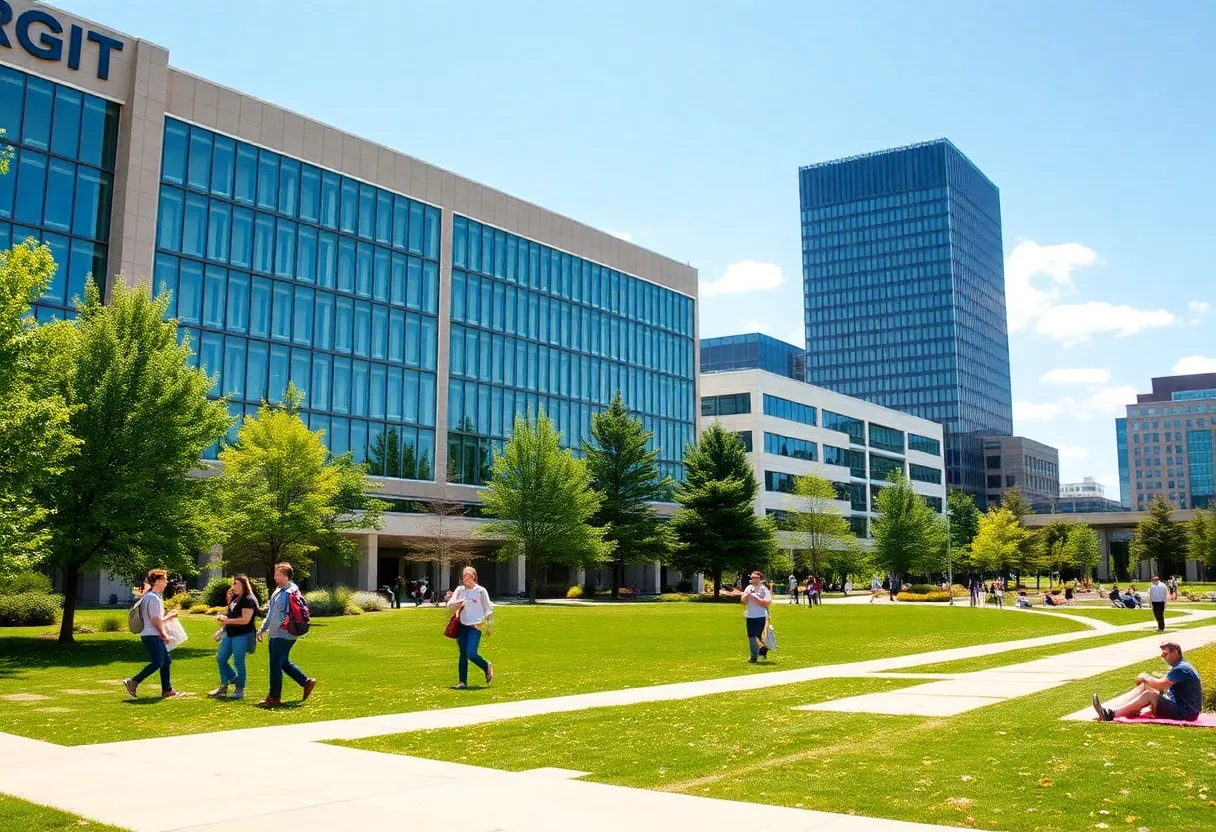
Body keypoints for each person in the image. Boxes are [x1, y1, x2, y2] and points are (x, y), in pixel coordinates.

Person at [1093, 642, 1203, 722]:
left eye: (1165, 653)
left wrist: (1144, 677)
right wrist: (1146, 680)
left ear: (1175, 653)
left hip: (1186, 712)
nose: (1162, 656)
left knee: (1149, 695)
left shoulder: (1182, 669)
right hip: (1184, 709)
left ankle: (1110, 714)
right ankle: (1113, 708)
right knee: (1145, 686)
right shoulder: (1180, 666)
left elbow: (1159, 685)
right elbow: (1161, 687)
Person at [257, 562, 316, 707]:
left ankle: (274, 697)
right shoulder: (284, 590)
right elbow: (272, 613)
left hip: (281, 633)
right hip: (289, 633)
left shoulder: (286, 593)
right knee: (283, 662)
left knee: (275, 665)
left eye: (278, 574)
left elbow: (277, 616)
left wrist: (269, 630)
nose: (275, 577)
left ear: (286, 576)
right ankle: (306, 682)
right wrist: (263, 628)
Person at [123, 569, 180, 699]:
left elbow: (154, 619)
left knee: (166, 661)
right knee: (157, 662)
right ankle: (133, 681)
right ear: (158, 581)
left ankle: (167, 690)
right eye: (165, 579)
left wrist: (168, 617)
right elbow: (155, 620)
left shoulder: (149, 597)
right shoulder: (153, 598)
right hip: (152, 635)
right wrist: (163, 634)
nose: (166, 582)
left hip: (149, 634)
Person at [209, 574, 259, 700]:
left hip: (242, 634)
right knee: (221, 658)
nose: (233, 586)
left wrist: (227, 621)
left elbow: (245, 620)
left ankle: (239, 689)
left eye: (236, 583)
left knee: (238, 661)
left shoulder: (248, 599)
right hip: (230, 633)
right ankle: (227, 683)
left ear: (243, 585)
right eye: (233, 583)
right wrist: (222, 629)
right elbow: (230, 616)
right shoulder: (234, 598)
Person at [448, 566, 494, 689]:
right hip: (462, 625)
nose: (463, 577)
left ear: (472, 576)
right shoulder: (460, 590)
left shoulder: (480, 591)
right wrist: (454, 602)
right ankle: (462, 682)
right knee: (463, 654)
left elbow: (488, 608)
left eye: (466, 575)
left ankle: (486, 666)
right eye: (463, 575)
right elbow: (450, 604)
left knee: (471, 653)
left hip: (475, 626)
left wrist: (489, 625)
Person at [740, 570, 772, 663]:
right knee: (751, 637)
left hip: (761, 615)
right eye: (753, 577)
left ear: (760, 579)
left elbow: (766, 602)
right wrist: (746, 595)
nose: (754, 579)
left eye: (757, 578)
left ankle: (763, 649)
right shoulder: (748, 588)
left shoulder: (764, 589)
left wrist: (755, 597)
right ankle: (754, 657)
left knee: (760, 637)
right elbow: (743, 602)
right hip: (750, 616)